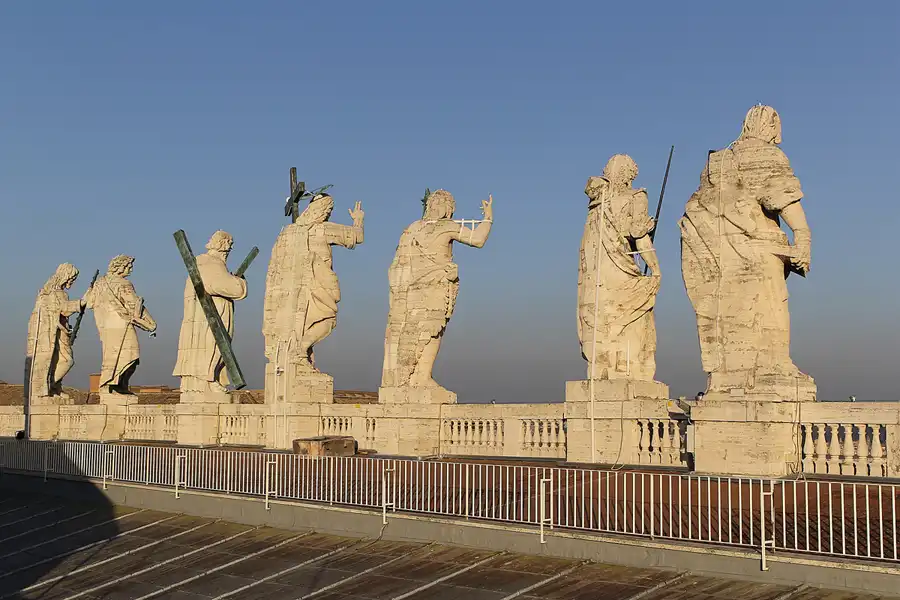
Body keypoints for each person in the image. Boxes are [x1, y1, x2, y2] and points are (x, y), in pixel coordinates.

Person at [680, 105, 814, 397]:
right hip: (756, 250)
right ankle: (774, 366)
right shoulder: (765, 155)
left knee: (729, 315)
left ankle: (727, 376)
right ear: (771, 127)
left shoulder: (716, 163)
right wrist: (803, 236)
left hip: (722, 256)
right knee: (771, 306)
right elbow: (780, 197)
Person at [381, 190, 492, 391]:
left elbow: (397, 264)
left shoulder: (412, 229)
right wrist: (488, 218)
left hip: (408, 291)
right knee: (433, 329)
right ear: (448, 209)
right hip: (434, 286)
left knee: (413, 330)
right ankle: (421, 377)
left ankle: (410, 379)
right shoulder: (446, 226)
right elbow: (477, 240)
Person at [578, 155, 661, 381]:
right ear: (630, 175)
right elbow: (639, 236)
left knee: (603, 319)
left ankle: (602, 372)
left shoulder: (596, 205)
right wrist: (655, 268)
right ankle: (631, 372)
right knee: (635, 317)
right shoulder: (636, 197)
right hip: (621, 270)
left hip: (598, 272)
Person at [263, 194, 364, 371]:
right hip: (317, 284)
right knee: (328, 319)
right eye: (329, 210)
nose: (329, 214)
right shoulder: (322, 229)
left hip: (291, 292)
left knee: (304, 324)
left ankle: (300, 353)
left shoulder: (287, 233)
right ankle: (300, 350)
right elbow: (356, 237)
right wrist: (358, 220)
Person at [173, 231, 247, 394]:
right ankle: (207, 379)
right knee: (212, 346)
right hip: (209, 318)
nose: (230, 249)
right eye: (229, 244)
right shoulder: (210, 263)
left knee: (216, 346)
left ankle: (208, 379)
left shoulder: (206, 263)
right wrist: (240, 282)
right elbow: (228, 287)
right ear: (224, 245)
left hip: (208, 315)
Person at [85, 255, 156, 396]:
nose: (130, 269)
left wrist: (90, 289)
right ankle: (114, 386)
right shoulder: (124, 284)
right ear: (120, 267)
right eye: (128, 266)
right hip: (121, 324)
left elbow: (88, 303)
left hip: (106, 326)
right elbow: (134, 304)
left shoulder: (100, 283)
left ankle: (115, 386)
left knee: (112, 355)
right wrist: (151, 323)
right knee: (131, 353)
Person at [25, 263, 83, 399]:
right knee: (67, 360)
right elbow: (64, 309)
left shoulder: (56, 293)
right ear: (66, 276)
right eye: (72, 278)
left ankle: (54, 387)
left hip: (60, 333)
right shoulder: (53, 293)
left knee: (61, 361)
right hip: (50, 334)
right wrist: (80, 303)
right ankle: (49, 385)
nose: (73, 281)